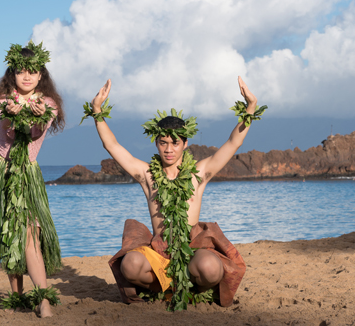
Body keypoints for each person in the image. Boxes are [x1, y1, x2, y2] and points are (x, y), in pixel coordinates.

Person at [85, 77, 261, 309]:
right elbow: (113, 146)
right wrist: (97, 111)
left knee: (211, 269)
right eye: (163, 142)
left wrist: (250, 108)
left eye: (175, 143)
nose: (169, 149)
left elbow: (232, 143)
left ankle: (190, 288)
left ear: (185, 143)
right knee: (130, 266)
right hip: (159, 253)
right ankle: (166, 287)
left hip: (193, 250)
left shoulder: (200, 173)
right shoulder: (147, 175)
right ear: (156, 143)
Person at [0, 41, 64, 318]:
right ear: (13, 74)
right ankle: (17, 296)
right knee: (7, 234)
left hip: (28, 174)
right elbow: (8, 131)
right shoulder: (0, 102)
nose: (27, 76)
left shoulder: (49, 104)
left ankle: (43, 299)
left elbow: (33, 134)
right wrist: (10, 115)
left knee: (31, 233)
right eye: (21, 71)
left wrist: (38, 120)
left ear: (41, 74)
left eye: (33, 71)